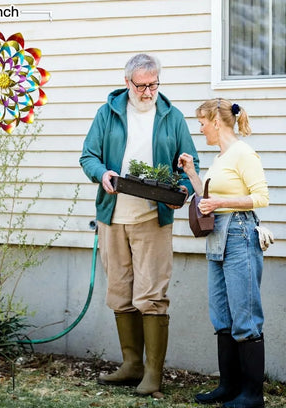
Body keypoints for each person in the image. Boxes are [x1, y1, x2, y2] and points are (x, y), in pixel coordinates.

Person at [79, 53, 199, 396]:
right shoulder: (109, 113)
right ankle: (131, 365)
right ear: (127, 83)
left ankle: (152, 375)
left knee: (152, 294)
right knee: (119, 292)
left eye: (154, 84)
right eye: (142, 85)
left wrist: (182, 190)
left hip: (152, 217)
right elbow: (88, 156)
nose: (148, 92)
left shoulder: (171, 116)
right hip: (113, 217)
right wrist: (102, 174)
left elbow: (190, 163)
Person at [178, 98, 269, 408]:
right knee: (222, 317)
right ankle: (228, 388)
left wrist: (217, 203)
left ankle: (252, 395)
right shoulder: (220, 158)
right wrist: (192, 173)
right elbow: (208, 195)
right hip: (217, 237)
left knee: (245, 316)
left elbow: (261, 197)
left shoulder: (244, 154)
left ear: (216, 122)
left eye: (203, 122)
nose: (200, 128)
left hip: (240, 234)